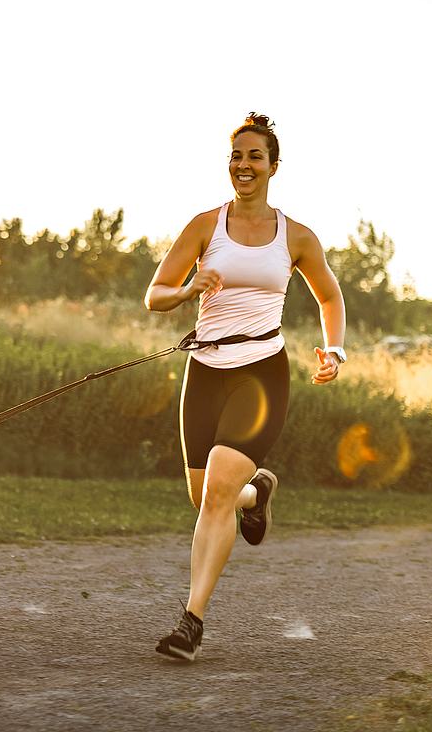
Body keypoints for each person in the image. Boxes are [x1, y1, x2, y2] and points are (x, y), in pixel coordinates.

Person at [143, 112, 346, 661]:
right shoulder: (204, 227)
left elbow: (329, 297)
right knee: (203, 495)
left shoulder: (296, 237)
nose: (244, 165)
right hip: (205, 371)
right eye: (237, 156)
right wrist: (189, 291)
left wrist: (335, 349)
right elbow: (154, 293)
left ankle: (191, 622)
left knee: (214, 497)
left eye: (255, 156)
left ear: (274, 166)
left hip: (262, 374)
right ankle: (257, 492)